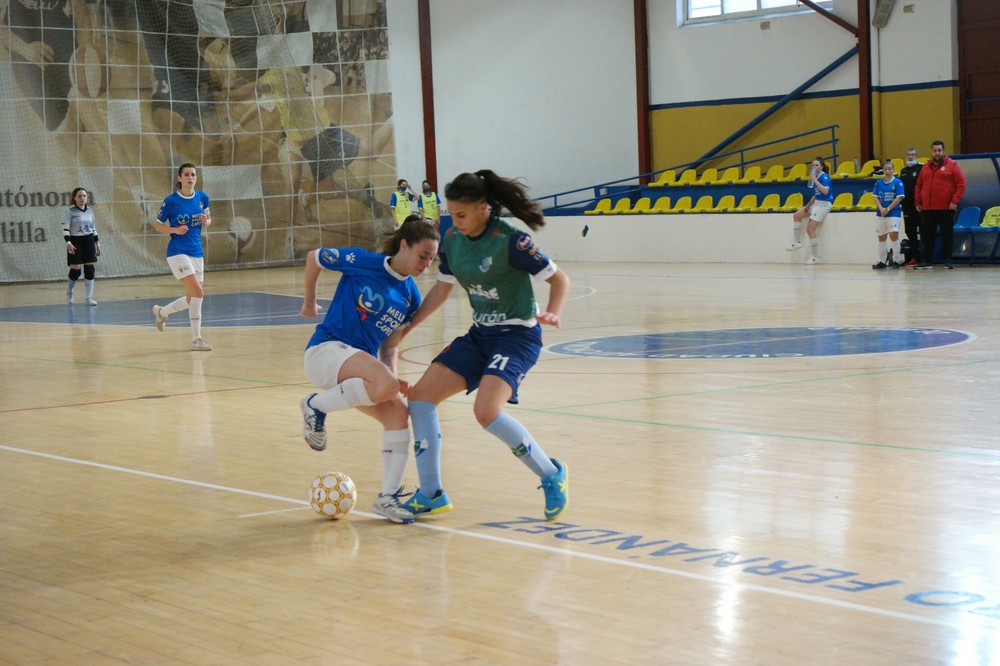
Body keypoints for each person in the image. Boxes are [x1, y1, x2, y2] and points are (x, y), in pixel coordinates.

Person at [397, 169, 571, 521]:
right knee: (419, 399)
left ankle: (552, 474)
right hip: (480, 335)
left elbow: (559, 279)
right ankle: (431, 492)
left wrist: (552, 312)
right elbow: (442, 289)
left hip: (517, 337)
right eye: (451, 214)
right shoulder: (452, 239)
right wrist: (408, 326)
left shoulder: (511, 241)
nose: (455, 221)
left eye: (461, 214)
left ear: (482, 208)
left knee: (486, 412)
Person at [298, 216, 440, 524]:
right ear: (405, 245)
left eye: (432, 259)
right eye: (423, 255)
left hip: (357, 366)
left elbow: (389, 346)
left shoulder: (410, 295)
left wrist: (388, 377)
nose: (427, 264)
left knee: (398, 414)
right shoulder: (363, 262)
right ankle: (314, 406)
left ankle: (386, 498)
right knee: (387, 389)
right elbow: (314, 258)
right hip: (326, 350)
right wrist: (309, 302)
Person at [151, 163, 213, 351]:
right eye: (186, 174)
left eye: (193, 174)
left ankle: (162, 312)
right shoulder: (171, 201)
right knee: (199, 293)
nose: (190, 178)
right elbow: (158, 225)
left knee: (192, 297)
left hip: (197, 252)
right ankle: (197, 339)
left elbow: (209, 220)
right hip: (177, 252)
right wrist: (174, 229)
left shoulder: (203, 198)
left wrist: (206, 221)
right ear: (179, 178)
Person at [914, 140, 967, 270]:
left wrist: (954, 201)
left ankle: (948, 260)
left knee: (947, 235)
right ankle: (927, 261)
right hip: (927, 208)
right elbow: (919, 185)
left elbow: (962, 184)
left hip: (946, 208)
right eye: (934, 150)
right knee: (927, 236)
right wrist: (918, 202)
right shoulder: (925, 167)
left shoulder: (953, 165)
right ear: (931, 151)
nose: (937, 153)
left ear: (943, 151)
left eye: (939, 150)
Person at [785, 157, 833, 264]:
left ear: (821, 166)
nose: (814, 167)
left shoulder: (824, 177)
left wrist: (815, 180)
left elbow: (825, 192)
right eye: (813, 165)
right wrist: (808, 205)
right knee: (797, 215)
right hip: (816, 203)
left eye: (817, 165)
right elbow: (817, 195)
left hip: (823, 205)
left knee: (810, 229)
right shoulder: (815, 177)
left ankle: (816, 257)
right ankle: (797, 241)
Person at [63, 187, 100, 305]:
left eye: (84, 196)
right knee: (76, 269)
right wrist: (68, 242)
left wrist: (97, 243)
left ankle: (88, 298)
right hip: (75, 241)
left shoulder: (90, 211)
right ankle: (70, 292)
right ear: (74, 198)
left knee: (90, 269)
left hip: (88, 240)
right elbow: (65, 228)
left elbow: (93, 228)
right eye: (79, 196)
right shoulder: (70, 211)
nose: (82, 198)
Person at [871, 160, 906, 269]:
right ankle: (882, 261)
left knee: (893, 236)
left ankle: (896, 261)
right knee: (881, 237)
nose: (887, 171)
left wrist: (888, 208)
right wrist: (881, 208)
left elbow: (899, 197)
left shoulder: (898, 182)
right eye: (885, 169)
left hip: (893, 213)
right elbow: (875, 197)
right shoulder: (879, 183)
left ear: (893, 170)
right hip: (881, 214)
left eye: (889, 169)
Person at [898, 147, 923, 266]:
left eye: (912, 154)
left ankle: (926, 257)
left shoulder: (921, 169)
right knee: (910, 231)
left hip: (919, 206)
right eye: (908, 154)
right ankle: (915, 257)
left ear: (917, 156)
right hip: (907, 206)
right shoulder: (903, 171)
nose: (910, 156)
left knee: (923, 231)